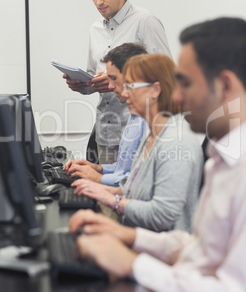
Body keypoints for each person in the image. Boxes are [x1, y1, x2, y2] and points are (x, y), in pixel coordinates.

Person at [69, 17, 246, 292]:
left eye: (186, 84)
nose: (177, 98)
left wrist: (134, 265)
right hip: (181, 289)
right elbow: (198, 247)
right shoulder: (221, 159)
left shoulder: (198, 149)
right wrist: (128, 235)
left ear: (226, 85)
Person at [73, 53, 203, 233]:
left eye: (131, 86)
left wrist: (112, 200)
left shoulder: (176, 141)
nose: (124, 93)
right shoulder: (152, 134)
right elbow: (134, 190)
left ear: (156, 90)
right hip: (143, 237)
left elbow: (161, 215)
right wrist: (100, 191)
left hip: (163, 251)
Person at [63, 0, 172, 164]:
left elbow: (167, 78)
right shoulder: (95, 29)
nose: (98, 1)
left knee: (131, 191)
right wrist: (83, 85)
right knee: (105, 186)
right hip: (105, 133)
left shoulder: (145, 22)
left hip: (138, 132)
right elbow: (93, 75)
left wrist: (119, 80)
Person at [63, 43, 149, 187]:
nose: (109, 87)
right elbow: (123, 169)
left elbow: (139, 182)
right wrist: (97, 168)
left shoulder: (149, 121)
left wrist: (98, 179)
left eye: (113, 78)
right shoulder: (135, 115)